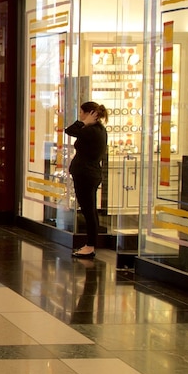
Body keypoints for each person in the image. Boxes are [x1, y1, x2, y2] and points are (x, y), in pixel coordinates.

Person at [65, 101, 108, 258]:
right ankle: (90, 244)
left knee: (89, 211)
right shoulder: (98, 130)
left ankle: (90, 245)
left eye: (82, 113)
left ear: (89, 114)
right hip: (90, 173)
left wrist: (84, 122)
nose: (80, 116)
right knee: (90, 210)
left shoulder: (91, 131)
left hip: (86, 174)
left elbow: (70, 130)